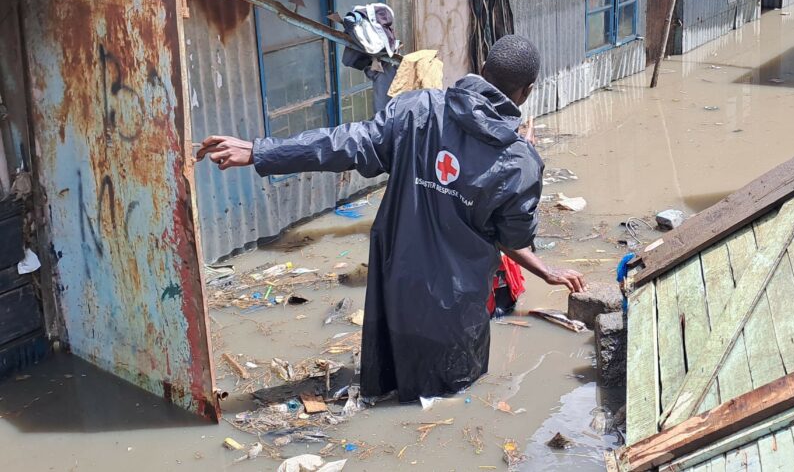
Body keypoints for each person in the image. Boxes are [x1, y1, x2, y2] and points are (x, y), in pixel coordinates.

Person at [196, 35, 586, 402]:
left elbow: (343, 143)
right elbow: (511, 238)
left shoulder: (416, 109)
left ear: (482, 68)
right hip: (455, 309)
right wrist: (546, 269)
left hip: (394, 290)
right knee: (449, 401)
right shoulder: (519, 161)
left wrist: (261, 151)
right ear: (527, 91)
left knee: (387, 384)